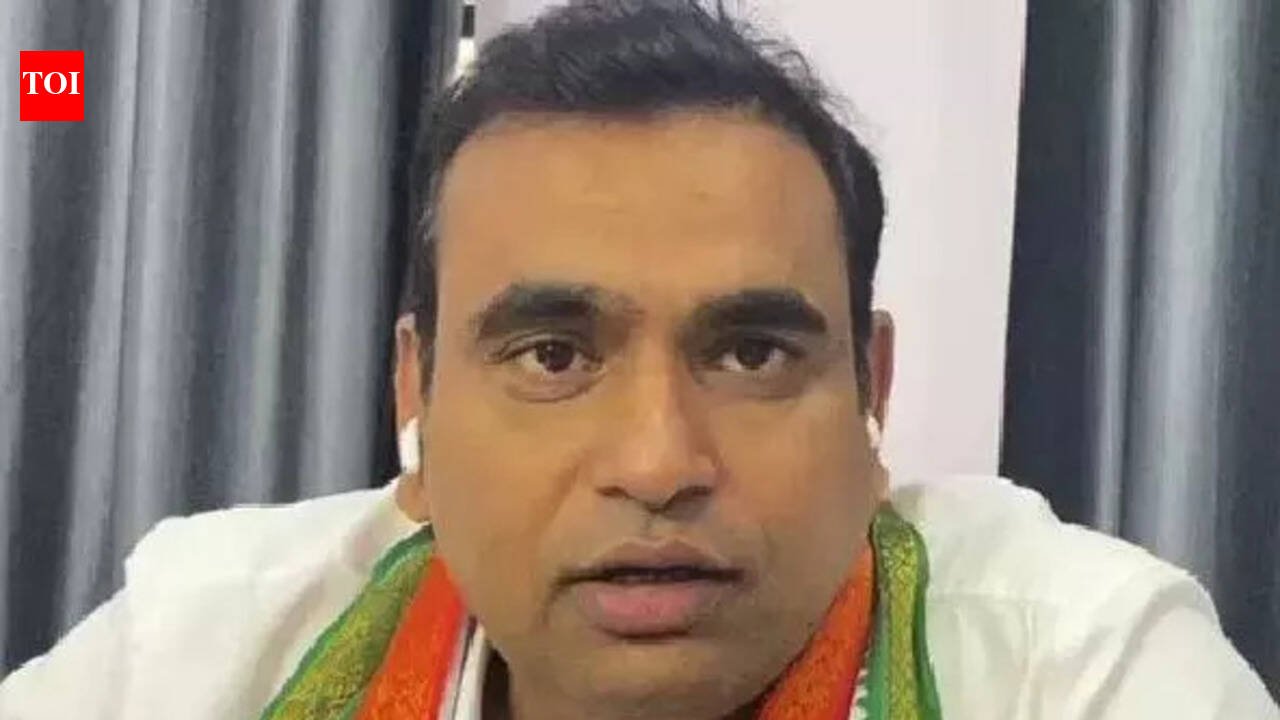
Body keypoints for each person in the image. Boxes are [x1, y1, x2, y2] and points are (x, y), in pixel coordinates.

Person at [2, 1, 1275, 718]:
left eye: (752, 352)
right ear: (414, 400)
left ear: (871, 397)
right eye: (553, 353)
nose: (659, 462)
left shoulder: (1076, 670)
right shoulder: (196, 656)